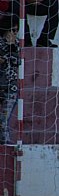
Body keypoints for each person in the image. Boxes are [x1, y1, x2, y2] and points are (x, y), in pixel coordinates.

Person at [0, 16, 19, 144]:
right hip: (1, 83)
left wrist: (12, 47)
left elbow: (17, 62)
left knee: (3, 120)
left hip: (11, 87)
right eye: (12, 30)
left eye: (16, 30)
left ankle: (5, 144)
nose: (14, 33)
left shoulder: (16, 45)